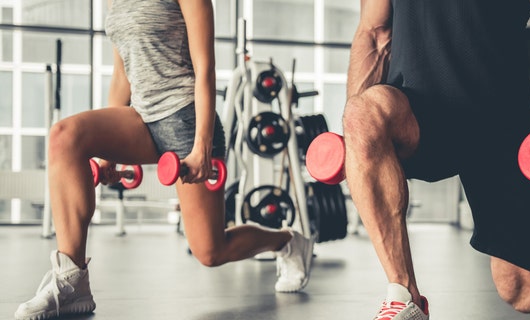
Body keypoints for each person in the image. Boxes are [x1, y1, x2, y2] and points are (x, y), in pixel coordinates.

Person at [14, 0, 314, 319]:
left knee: (211, 251)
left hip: (185, 119)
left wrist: (202, 146)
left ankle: (288, 242)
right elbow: (121, 76)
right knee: (65, 137)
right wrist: (106, 158)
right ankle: (72, 283)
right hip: (140, 118)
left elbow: (205, 69)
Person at [343, 0, 530, 318]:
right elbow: (375, 32)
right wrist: (353, 137)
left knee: (523, 292)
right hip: (418, 113)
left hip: (502, 126)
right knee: (361, 112)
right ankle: (405, 296)